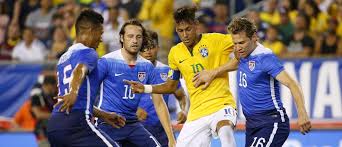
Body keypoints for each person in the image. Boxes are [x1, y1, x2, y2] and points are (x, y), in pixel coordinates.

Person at [126, 6, 237, 147]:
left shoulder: (217, 40)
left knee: (226, 133)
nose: (185, 35)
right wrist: (146, 88)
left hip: (221, 105)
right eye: (180, 31)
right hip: (197, 113)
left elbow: (246, 51)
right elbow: (171, 86)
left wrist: (213, 72)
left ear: (196, 25)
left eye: (188, 29)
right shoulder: (175, 53)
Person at [192, 17, 312, 147]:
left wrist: (302, 113)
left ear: (254, 37)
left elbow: (292, 84)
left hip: (271, 122)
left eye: (241, 43)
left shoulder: (265, 58)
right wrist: (212, 73)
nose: (237, 48)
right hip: (252, 124)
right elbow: (236, 63)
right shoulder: (243, 52)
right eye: (235, 43)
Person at [47, 9, 125, 147]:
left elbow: (78, 100)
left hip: (55, 125)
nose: (101, 39)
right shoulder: (89, 53)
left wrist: (103, 115)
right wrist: (74, 91)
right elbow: (80, 69)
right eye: (100, 33)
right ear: (89, 30)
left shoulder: (63, 59)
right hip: (76, 123)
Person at [96, 19, 176, 147]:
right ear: (122, 38)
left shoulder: (147, 66)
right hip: (108, 123)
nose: (134, 40)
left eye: (138, 37)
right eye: (130, 36)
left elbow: (159, 103)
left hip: (133, 124)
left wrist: (171, 138)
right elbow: (88, 93)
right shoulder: (107, 61)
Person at [137, 30, 187, 147]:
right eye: (144, 48)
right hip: (137, 129)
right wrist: (134, 110)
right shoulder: (130, 71)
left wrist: (183, 110)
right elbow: (118, 98)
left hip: (163, 130)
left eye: (151, 47)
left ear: (158, 48)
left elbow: (181, 95)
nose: (148, 51)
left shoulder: (167, 71)